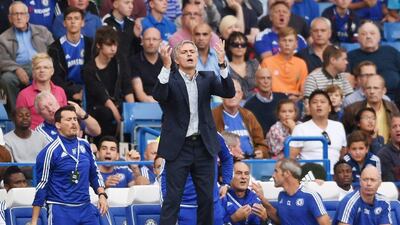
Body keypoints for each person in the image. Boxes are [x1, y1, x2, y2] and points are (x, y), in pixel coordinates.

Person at [153, 39, 235, 224]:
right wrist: (165, 67)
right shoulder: (170, 79)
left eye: (193, 51)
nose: (190, 54)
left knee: (206, 198)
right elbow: (159, 95)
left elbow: (229, 92)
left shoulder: (207, 77)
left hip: (203, 146)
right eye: (185, 52)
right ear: (176, 59)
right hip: (178, 147)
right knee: (173, 199)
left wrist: (222, 64)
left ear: (198, 56)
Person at [31, 105, 108, 225]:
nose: (73, 123)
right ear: (58, 125)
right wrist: (34, 221)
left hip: (85, 208)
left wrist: (102, 195)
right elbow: (42, 185)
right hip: (60, 210)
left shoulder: (85, 145)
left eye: (75, 119)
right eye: (68, 120)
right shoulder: (49, 151)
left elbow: (94, 173)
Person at [160, 132, 233, 225]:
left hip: (212, 206)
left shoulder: (213, 134)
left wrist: (226, 183)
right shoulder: (175, 137)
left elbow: (227, 157)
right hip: (185, 208)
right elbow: (164, 174)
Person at [0, 1, 53, 113]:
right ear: (10, 18)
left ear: (28, 17)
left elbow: (54, 51)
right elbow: (2, 59)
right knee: (6, 79)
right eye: (15, 14)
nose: (19, 17)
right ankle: (18, 113)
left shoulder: (42, 31)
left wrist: (45, 63)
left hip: (40, 63)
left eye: (22, 14)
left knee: (45, 70)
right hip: (18, 67)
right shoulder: (3, 38)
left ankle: (49, 109)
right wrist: (17, 69)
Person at [83, 26, 134, 139]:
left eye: (115, 45)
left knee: (131, 115)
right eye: (109, 45)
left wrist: (132, 111)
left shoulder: (120, 61)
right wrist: (118, 119)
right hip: (98, 108)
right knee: (106, 113)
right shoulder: (89, 69)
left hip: (118, 103)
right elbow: (102, 97)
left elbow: (127, 88)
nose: (113, 49)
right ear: (98, 45)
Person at [251, 158, 331, 225]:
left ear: (286, 173)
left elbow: (326, 223)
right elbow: (280, 221)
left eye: (276, 171)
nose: (273, 175)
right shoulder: (282, 195)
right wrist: (262, 198)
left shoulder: (310, 196)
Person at [290, 89, 347, 173]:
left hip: (335, 177)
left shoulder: (339, 126)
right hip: (310, 178)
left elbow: (342, 154)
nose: (319, 105)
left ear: (329, 108)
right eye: (315, 102)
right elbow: (291, 158)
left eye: (323, 102)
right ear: (309, 108)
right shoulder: (300, 128)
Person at [348, 21, 400, 107]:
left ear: (379, 37)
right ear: (358, 38)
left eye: (372, 33)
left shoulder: (391, 52)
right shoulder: (350, 56)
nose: (368, 36)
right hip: (363, 103)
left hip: (396, 100)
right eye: (364, 34)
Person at [212, 79, 268, 158]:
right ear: (221, 96)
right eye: (228, 91)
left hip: (250, 162)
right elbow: (210, 145)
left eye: (236, 92)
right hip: (226, 162)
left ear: (241, 95)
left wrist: (261, 151)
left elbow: (261, 143)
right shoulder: (213, 116)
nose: (232, 95)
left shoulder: (248, 115)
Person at [48, 7, 93, 102]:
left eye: (76, 18)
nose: (73, 22)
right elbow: (55, 77)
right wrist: (73, 91)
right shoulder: (54, 48)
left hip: (89, 89)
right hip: (66, 91)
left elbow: (96, 73)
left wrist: (85, 92)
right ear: (64, 23)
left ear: (82, 23)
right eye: (69, 18)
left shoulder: (91, 44)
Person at [16, 53, 68, 129]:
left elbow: (66, 115)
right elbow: (19, 122)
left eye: (46, 67)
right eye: (38, 68)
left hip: (59, 135)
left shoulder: (60, 91)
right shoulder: (23, 95)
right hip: (34, 137)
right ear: (33, 72)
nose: (42, 70)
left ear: (52, 71)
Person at [343, 75, 400, 142]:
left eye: (376, 88)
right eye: (368, 88)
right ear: (364, 91)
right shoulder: (352, 109)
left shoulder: (392, 107)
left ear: (384, 91)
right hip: (362, 150)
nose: (372, 91)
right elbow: (344, 134)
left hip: (388, 149)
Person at [261, 27, 308, 102]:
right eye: (284, 40)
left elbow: (303, 89)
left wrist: (298, 99)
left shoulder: (301, 63)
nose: (287, 44)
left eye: (290, 41)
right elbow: (263, 88)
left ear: (296, 44)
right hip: (273, 100)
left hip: (294, 101)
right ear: (278, 43)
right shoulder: (267, 62)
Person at [35, 91, 101, 142]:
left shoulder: (72, 119)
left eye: (51, 104)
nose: (50, 109)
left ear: (57, 103)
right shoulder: (40, 132)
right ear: (40, 114)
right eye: (44, 108)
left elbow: (96, 131)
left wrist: (82, 113)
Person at [244, 68, 288, 135]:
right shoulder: (249, 105)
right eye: (262, 78)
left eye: (269, 78)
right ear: (256, 81)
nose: (266, 81)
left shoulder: (283, 98)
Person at [131, 27, 163, 102]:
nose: (151, 42)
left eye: (154, 39)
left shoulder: (166, 61)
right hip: (143, 106)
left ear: (160, 41)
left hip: (166, 106)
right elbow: (140, 95)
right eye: (147, 39)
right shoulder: (134, 61)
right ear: (142, 41)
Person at [225, 31, 259, 99]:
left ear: (246, 47)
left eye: (243, 44)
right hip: (234, 102)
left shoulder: (254, 64)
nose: (240, 47)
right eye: (235, 44)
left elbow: (262, 82)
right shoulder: (224, 67)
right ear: (229, 47)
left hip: (254, 101)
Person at [377, 116, 400, 181]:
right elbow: (390, 182)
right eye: (394, 127)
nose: (398, 129)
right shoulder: (383, 154)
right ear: (389, 131)